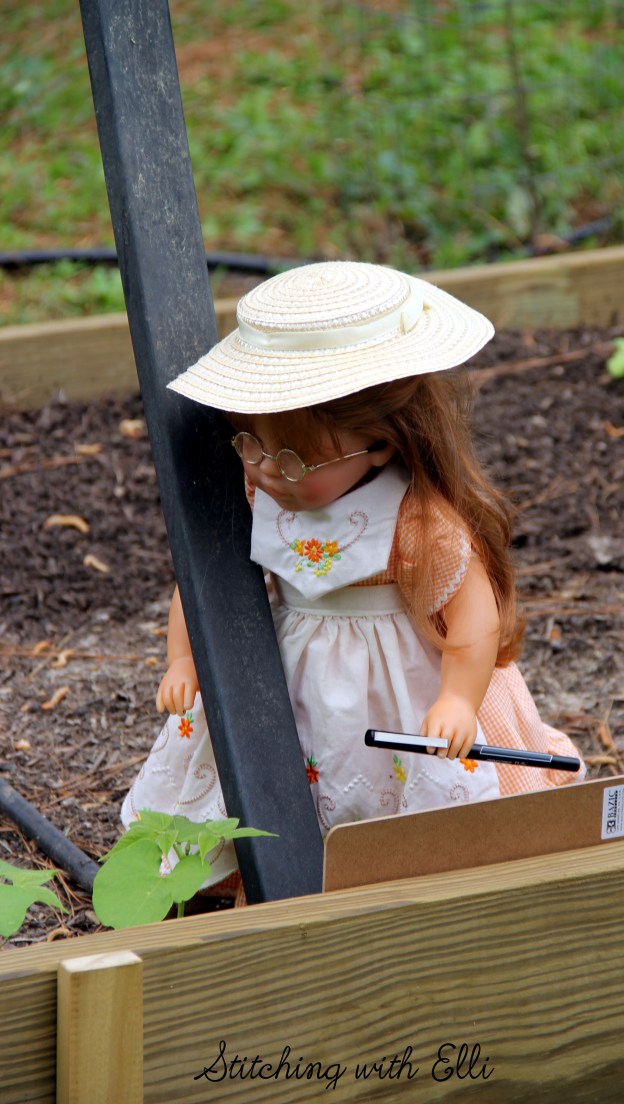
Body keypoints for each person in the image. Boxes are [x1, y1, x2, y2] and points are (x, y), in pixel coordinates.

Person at [122, 261, 585, 890]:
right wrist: (184, 658)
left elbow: (473, 617)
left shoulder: (416, 522)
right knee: (277, 791)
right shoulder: (260, 504)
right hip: (287, 682)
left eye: (292, 458)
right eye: (250, 446)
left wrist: (456, 697)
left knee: (405, 793)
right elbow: (202, 588)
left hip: (399, 681)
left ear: (383, 443)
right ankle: (272, 874)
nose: (266, 472)